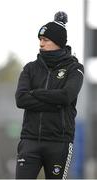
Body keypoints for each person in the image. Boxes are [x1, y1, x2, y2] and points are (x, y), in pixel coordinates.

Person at [15, 11, 84, 179]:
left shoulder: (75, 69)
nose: (41, 44)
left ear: (58, 42)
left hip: (59, 142)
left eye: (45, 40)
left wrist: (36, 93)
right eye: (40, 39)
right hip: (29, 140)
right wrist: (55, 101)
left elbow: (66, 97)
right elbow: (21, 99)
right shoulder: (30, 68)